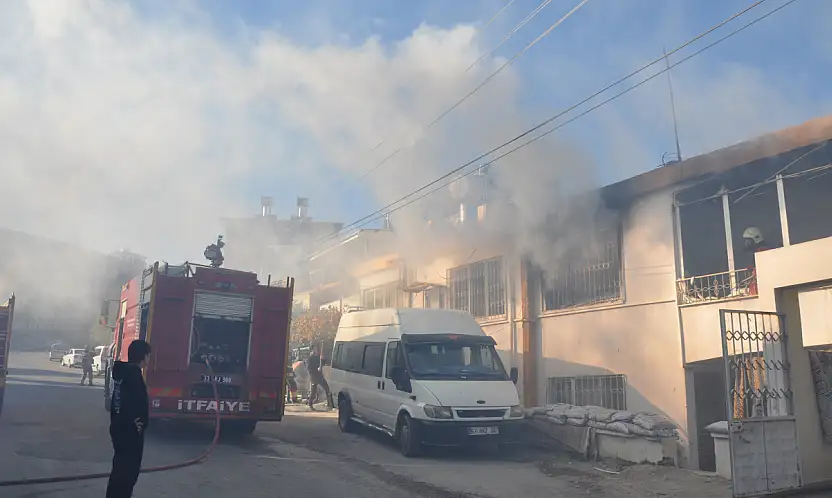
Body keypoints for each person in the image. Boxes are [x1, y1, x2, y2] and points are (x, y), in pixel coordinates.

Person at [106, 339, 151, 498]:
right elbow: (137, 406)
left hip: (118, 429)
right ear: (143, 357)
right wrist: (138, 427)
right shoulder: (134, 377)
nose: (149, 359)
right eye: (148, 356)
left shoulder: (122, 374)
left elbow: (117, 403)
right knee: (127, 476)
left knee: (118, 472)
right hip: (129, 435)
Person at [307, 344, 333, 411]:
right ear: (312, 350)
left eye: (316, 349)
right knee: (313, 391)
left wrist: (323, 359)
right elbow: (309, 368)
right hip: (314, 376)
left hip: (320, 376)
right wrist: (316, 369)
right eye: (314, 349)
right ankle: (310, 404)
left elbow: (323, 363)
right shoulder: (310, 358)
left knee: (327, 388)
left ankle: (329, 404)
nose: (316, 350)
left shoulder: (319, 356)